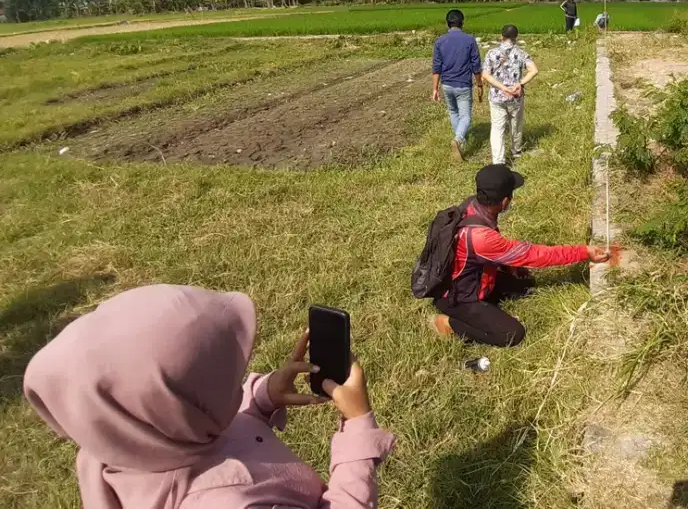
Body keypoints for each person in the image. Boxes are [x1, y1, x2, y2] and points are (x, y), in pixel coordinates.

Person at [23, 285, 395, 509]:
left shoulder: (122, 442)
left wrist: (264, 397)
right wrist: (358, 428)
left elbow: (215, 430)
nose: (243, 384)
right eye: (235, 385)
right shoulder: (226, 501)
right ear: (180, 411)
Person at [429, 165, 610, 347]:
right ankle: (449, 324)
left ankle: (487, 304)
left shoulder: (472, 206)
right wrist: (584, 251)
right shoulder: (480, 237)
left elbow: (487, 255)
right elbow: (536, 255)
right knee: (512, 334)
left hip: (463, 279)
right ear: (505, 201)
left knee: (525, 285)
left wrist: (511, 265)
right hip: (457, 298)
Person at [482, 24, 539, 165]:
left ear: (501, 37)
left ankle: (498, 160)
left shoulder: (491, 53)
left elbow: (486, 75)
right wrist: (520, 83)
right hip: (515, 95)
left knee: (497, 127)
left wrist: (502, 87)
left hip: (497, 96)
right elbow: (534, 70)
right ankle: (516, 150)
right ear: (516, 38)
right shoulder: (521, 53)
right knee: (516, 123)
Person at [432, 9, 484, 161]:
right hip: (463, 85)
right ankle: (458, 140)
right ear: (462, 23)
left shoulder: (440, 41)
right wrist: (479, 84)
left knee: (453, 112)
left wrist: (435, 89)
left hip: (446, 84)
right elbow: (476, 64)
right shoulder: (469, 40)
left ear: (447, 23)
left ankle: (460, 141)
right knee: (466, 116)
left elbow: (437, 67)